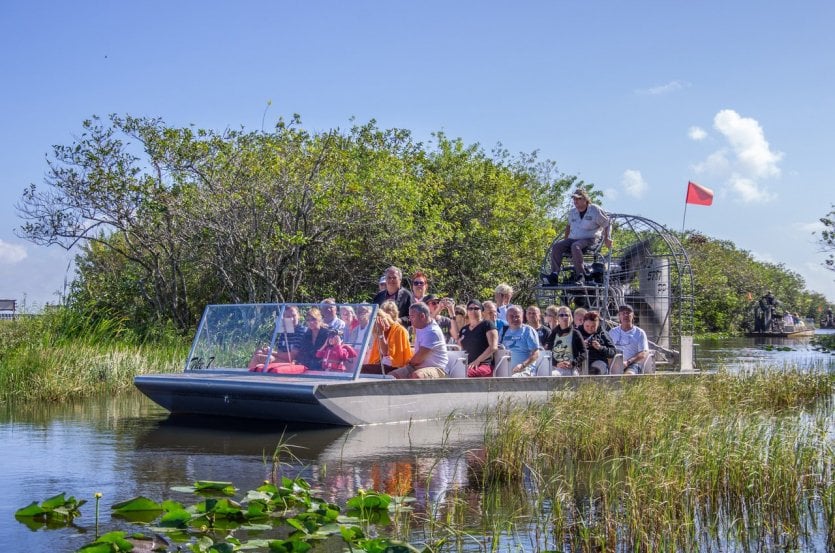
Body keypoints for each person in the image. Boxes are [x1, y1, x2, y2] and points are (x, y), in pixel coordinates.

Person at [542, 188, 612, 286]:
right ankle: (554, 275)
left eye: (578, 199)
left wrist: (607, 237)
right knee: (557, 246)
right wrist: (565, 242)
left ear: (585, 199)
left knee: (575, 246)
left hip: (590, 239)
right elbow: (568, 226)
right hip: (573, 238)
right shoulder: (573, 212)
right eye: (574, 199)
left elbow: (607, 223)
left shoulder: (594, 210)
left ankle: (581, 275)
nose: (575, 201)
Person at [389, 302, 448, 379]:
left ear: (422, 316)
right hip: (417, 367)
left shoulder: (432, 332)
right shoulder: (420, 326)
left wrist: (405, 362)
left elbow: (418, 359)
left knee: (417, 375)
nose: (410, 319)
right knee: (391, 376)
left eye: (412, 316)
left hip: (437, 369)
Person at [362, 301, 412, 373]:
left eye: (382, 320)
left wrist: (381, 334)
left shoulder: (399, 330)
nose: (381, 324)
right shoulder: (380, 330)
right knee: (360, 369)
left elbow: (386, 353)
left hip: (395, 366)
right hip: (382, 366)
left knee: (363, 370)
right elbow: (377, 357)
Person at [458, 299, 498, 377]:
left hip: (484, 365)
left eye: (476, 308)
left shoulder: (487, 324)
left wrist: (477, 361)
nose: (473, 311)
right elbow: (460, 348)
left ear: (482, 311)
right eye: (470, 308)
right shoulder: (464, 329)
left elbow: (493, 347)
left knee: (463, 374)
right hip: (467, 365)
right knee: (449, 372)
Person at [544, 305, 587, 376]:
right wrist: (556, 363)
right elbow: (548, 352)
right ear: (557, 318)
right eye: (561, 315)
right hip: (555, 366)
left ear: (571, 318)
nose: (564, 317)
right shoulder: (554, 333)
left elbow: (584, 353)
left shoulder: (575, 333)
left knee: (551, 375)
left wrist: (573, 363)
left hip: (570, 368)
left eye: (567, 315)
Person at [499, 305, 540, 377]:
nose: (515, 319)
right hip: (505, 369)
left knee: (513, 378)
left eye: (517, 316)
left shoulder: (528, 330)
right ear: (506, 318)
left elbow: (536, 353)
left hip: (524, 369)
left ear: (522, 317)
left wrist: (523, 365)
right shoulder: (503, 330)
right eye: (512, 316)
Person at [609, 304, 649, 375]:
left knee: (629, 375)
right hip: (615, 363)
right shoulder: (612, 332)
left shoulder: (640, 333)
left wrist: (628, 362)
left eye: (628, 313)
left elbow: (643, 353)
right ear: (619, 316)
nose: (625, 315)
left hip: (633, 364)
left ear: (633, 315)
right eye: (623, 313)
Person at [578, 310, 616, 375]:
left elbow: (613, 352)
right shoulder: (576, 333)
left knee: (600, 368)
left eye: (593, 326)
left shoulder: (603, 334)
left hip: (597, 362)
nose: (590, 328)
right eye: (587, 326)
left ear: (598, 324)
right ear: (583, 323)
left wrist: (600, 348)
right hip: (579, 363)